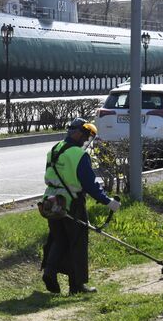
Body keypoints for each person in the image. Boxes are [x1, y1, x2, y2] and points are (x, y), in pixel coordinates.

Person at [41, 118, 120, 295]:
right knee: (77, 244)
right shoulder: (79, 155)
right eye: (85, 136)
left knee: (58, 240)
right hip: (71, 203)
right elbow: (89, 185)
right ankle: (77, 286)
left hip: (51, 202)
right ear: (77, 133)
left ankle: (49, 273)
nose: (86, 141)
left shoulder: (55, 149)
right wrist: (108, 201)